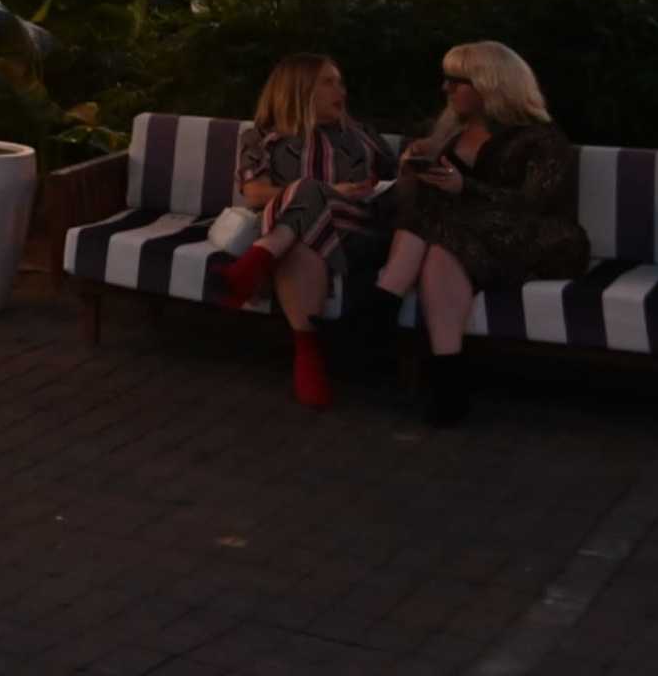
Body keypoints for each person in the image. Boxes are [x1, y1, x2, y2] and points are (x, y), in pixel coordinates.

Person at [372, 41, 587, 428]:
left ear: (490, 84)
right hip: (462, 238)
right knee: (440, 246)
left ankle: (381, 303)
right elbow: (409, 203)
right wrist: (410, 172)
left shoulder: (542, 139)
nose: (447, 89)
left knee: (445, 229)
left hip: (536, 237)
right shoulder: (447, 134)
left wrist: (464, 188)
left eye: (458, 81)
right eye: (447, 80)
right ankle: (449, 386)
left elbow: (533, 205)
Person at [213, 54, 389, 409]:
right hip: (298, 235)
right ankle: (308, 357)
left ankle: (254, 263)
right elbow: (253, 192)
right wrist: (324, 191)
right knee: (302, 225)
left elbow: (390, 183)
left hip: (353, 229)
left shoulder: (361, 136)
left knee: (306, 193)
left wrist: (339, 194)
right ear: (300, 89)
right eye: (328, 82)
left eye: (340, 81)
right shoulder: (262, 137)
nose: (341, 90)